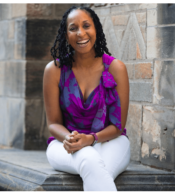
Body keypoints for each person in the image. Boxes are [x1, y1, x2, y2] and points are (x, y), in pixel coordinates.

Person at [43, 5, 130, 192]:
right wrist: (70, 138)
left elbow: (118, 126)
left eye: (86, 26)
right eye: (73, 28)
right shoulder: (55, 70)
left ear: (96, 29)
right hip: (64, 144)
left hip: (110, 142)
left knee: (93, 165)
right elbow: (53, 123)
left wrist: (91, 139)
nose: (80, 33)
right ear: (66, 35)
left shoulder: (116, 69)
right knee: (90, 159)